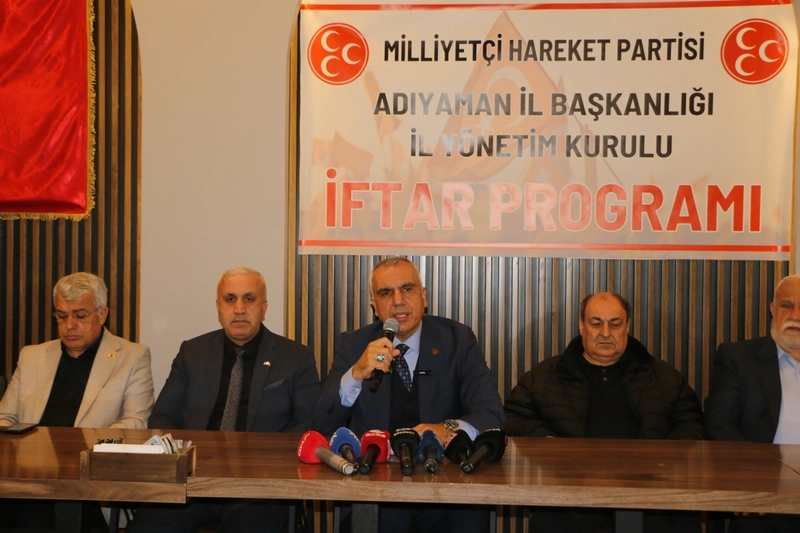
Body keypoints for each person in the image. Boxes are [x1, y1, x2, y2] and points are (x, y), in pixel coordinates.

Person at [313, 256, 505, 533]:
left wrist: (446, 429)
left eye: (407, 289)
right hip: (376, 486)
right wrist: (355, 374)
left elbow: (492, 414)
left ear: (423, 297)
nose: (398, 301)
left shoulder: (457, 340)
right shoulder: (353, 345)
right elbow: (322, 422)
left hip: (448, 485)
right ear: (374, 304)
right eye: (386, 293)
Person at [126, 266, 320, 533]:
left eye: (249, 299)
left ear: (264, 307)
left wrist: (265, 461)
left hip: (260, 490)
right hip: (193, 485)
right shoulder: (192, 352)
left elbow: (309, 423)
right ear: (218, 307)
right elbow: (162, 418)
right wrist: (183, 461)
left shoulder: (295, 357)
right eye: (230, 299)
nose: (239, 309)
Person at [504, 292, 705, 533]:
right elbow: (510, 418)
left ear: (627, 327)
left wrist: (660, 458)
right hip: (570, 500)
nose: (606, 333)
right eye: (596, 323)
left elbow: (693, 425)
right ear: (582, 326)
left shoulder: (664, 377)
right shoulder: (545, 376)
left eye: (615, 324)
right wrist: (546, 441)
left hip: (653, 496)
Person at [0, 272, 155, 530]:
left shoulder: (132, 357)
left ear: (102, 314)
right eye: (61, 316)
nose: (69, 325)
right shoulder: (32, 356)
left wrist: (78, 449)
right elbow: (5, 417)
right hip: (26, 475)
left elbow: (137, 425)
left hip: (87, 483)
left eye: (80, 316)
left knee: (38, 521)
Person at [705, 274, 800, 532]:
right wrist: (750, 477)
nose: (796, 316)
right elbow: (720, 424)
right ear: (772, 309)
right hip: (763, 493)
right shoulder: (738, 357)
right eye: (787, 305)